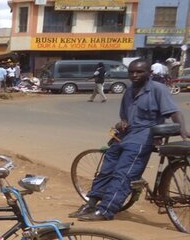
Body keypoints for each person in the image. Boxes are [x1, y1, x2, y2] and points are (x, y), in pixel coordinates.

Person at [69, 59, 188, 221]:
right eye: (131, 72)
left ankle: (106, 210)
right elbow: (125, 116)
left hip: (143, 137)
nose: (135, 75)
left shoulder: (158, 89)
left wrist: (182, 130)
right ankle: (91, 203)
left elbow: (175, 112)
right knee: (106, 170)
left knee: (123, 175)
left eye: (139, 72)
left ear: (149, 73)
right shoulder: (129, 91)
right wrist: (122, 123)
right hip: (124, 135)